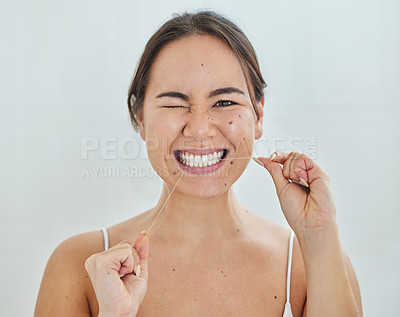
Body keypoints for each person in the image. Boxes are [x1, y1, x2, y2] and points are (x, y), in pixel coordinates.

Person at [35, 11, 363, 317]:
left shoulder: (314, 266)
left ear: (258, 116)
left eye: (224, 102)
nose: (201, 128)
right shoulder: (78, 266)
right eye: (175, 104)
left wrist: (318, 237)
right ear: (141, 120)